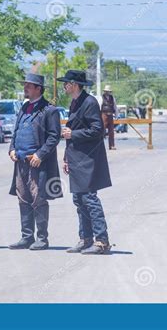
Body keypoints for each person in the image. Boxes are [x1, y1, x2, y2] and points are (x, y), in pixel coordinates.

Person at [57, 70, 112, 255]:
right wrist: (66, 157)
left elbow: (98, 130)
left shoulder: (89, 102)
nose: (64, 86)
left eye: (67, 83)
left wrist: (74, 134)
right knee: (79, 199)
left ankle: (102, 241)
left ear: (74, 84)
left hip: (88, 158)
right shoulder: (74, 102)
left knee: (89, 198)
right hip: (76, 157)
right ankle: (85, 238)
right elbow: (71, 131)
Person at [8, 73, 62, 250]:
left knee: (38, 199)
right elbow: (15, 133)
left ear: (39, 89)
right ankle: (26, 237)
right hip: (21, 162)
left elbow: (54, 137)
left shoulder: (49, 110)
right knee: (23, 198)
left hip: (37, 162)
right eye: (25, 85)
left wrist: (40, 154)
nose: (25, 88)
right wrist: (12, 149)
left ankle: (42, 238)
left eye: (29, 85)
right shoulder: (24, 108)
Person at [101, 85, 118, 150]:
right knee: (102, 130)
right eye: (106, 91)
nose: (107, 92)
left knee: (111, 131)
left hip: (110, 115)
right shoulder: (101, 97)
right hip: (103, 114)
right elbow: (99, 107)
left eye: (108, 91)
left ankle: (112, 145)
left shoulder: (112, 98)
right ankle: (100, 146)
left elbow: (115, 107)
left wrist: (116, 115)